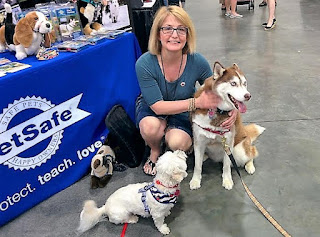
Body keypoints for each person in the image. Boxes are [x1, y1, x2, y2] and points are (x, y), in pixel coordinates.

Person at [135, 6, 237, 175]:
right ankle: (154, 150)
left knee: (179, 142)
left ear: (188, 35)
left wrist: (233, 109)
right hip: (154, 107)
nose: (174, 35)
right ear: (157, 34)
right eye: (167, 28)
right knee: (150, 127)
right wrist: (197, 103)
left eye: (181, 29)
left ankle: (170, 138)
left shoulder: (197, 60)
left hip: (183, 109)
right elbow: (158, 107)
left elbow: (218, 88)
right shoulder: (144, 63)